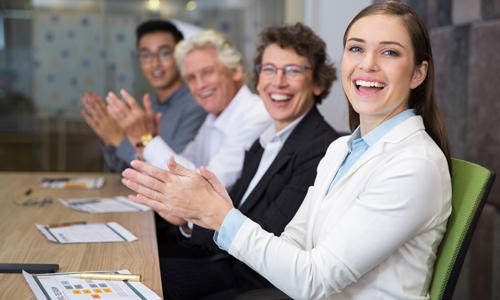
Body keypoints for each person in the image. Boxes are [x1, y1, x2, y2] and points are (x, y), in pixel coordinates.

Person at [122, 2, 452, 299]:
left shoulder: (414, 165)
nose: (367, 64)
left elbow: (315, 279)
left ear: (418, 73)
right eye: (356, 48)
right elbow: (292, 242)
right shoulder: (341, 149)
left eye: (389, 52)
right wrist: (218, 212)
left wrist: (219, 215)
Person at [157, 23, 341, 299]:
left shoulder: (321, 148)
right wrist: (188, 219)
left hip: (255, 284)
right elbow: (239, 211)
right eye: (269, 69)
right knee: (137, 272)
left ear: (317, 82)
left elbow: (269, 237)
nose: (277, 82)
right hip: (227, 264)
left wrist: (193, 218)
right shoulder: (265, 140)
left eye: (292, 70)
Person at [109, 29, 272, 193]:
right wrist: (144, 142)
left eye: (207, 72)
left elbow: (207, 187)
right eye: (191, 78)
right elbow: (177, 170)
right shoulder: (213, 118)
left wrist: (147, 139)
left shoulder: (257, 115)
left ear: (236, 71)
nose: (200, 85)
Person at [80, 20, 206, 172]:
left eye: (164, 53)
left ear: (181, 56)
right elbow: (124, 169)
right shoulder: (151, 106)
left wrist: (119, 140)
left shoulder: (197, 105)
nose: (155, 64)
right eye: (146, 55)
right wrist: (108, 135)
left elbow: (173, 171)